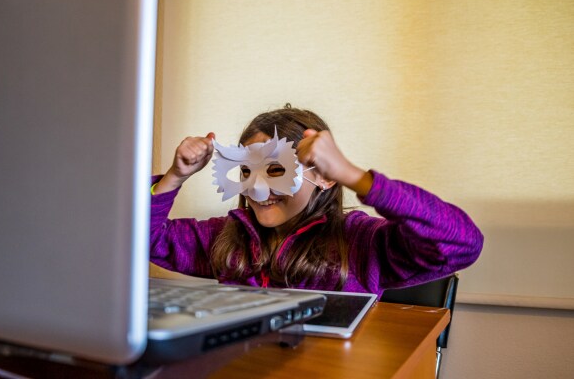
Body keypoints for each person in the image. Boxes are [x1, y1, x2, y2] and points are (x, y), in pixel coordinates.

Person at [149, 104, 483, 294]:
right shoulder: (224, 238)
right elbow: (141, 240)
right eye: (247, 172)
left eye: (276, 170)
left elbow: (461, 242)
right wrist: (174, 177)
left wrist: (354, 175)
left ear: (323, 176)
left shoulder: (362, 243)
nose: (257, 188)